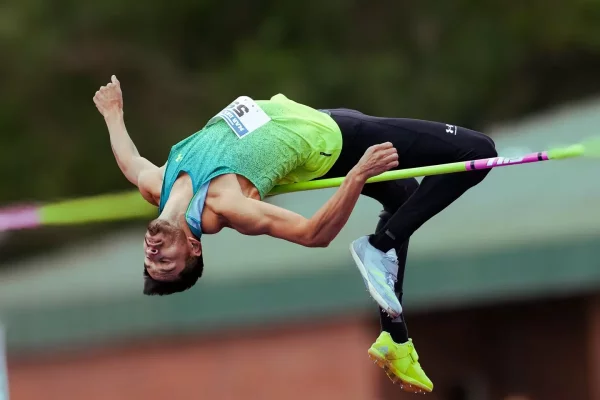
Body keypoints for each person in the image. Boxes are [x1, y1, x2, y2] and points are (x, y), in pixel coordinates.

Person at [93, 75, 497, 394]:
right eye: (165, 262)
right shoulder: (226, 205)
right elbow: (311, 234)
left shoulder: (157, 185)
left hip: (309, 121)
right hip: (338, 141)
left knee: (404, 199)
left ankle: (394, 337)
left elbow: (130, 160)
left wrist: (113, 114)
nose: (153, 252)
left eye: (150, 259)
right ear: (194, 246)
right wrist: (356, 176)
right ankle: (381, 247)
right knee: (478, 151)